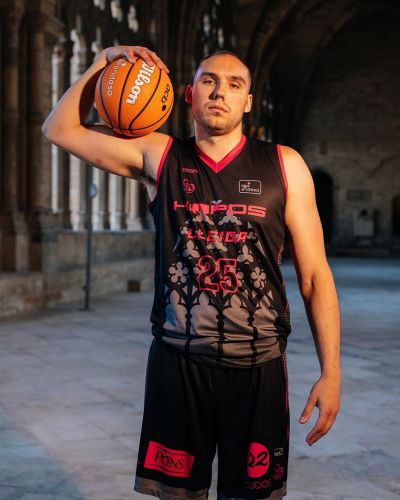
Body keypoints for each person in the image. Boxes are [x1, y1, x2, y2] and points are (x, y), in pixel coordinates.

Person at [42, 45, 341, 500]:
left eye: (234, 85)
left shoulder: (285, 165)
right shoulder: (160, 155)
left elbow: (315, 276)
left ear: (248, 102)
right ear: (188, 94)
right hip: (177, 363)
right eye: (209, 81)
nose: (220, 92)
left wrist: (331, 372)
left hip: (258, 364)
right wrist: (103, 61)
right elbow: (59, 129)